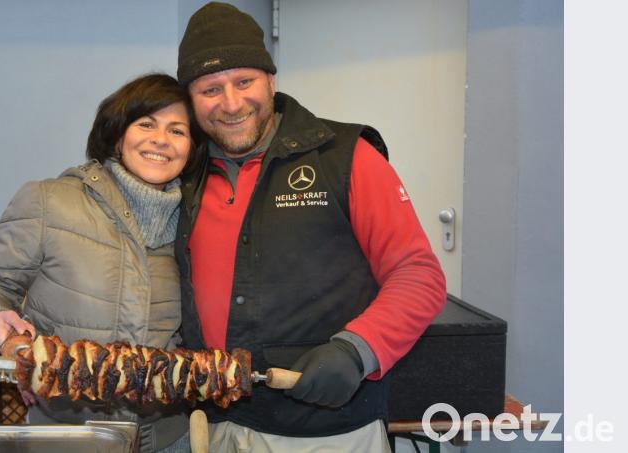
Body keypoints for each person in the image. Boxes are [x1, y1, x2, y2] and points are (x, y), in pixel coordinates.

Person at [173, 3, 447, 452]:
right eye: (210, 89)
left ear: (271, 80)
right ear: (190, 99)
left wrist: (357, 349)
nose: (231, 103)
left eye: (244, 82)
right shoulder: (185, 174)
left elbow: (418, 275)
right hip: (217, 426)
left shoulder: (346, 157)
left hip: (328, 433)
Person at [0, 73, 204, 453]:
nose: (161, 140)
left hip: (169, 438)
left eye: (177, 130)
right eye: (146, 124)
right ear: (118, 135)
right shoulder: (50, 201)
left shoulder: (197, 220)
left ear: (191, 148)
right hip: (68, 437)